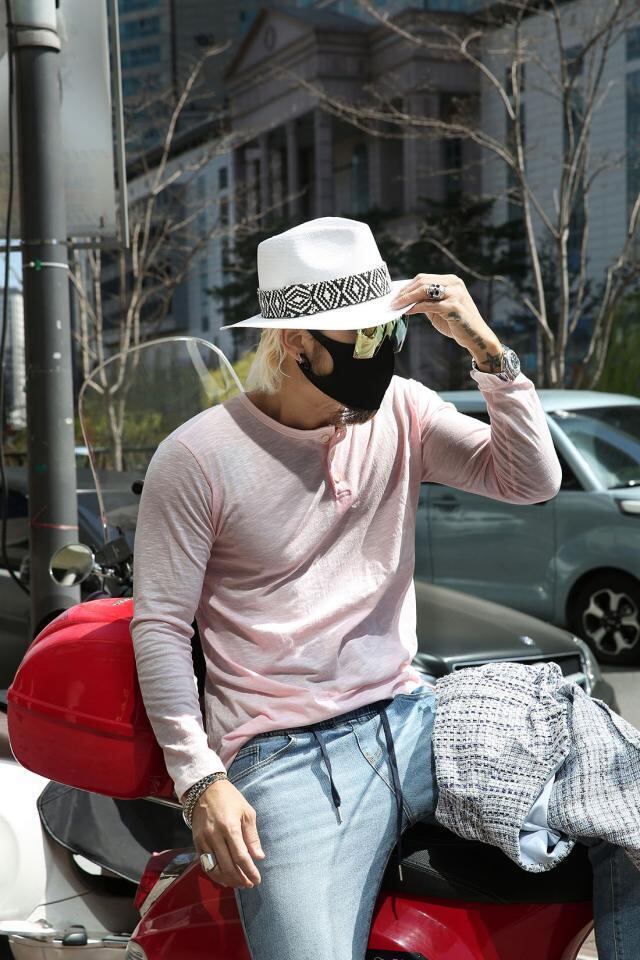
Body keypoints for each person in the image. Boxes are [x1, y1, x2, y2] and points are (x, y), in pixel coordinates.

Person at [130, 216, 637, 960]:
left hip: (414, 716)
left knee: (624, 793)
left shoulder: (402, 409)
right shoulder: (199, 457)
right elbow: (161, 627)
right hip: (286, 754)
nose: (383, 349)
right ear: (296, 343)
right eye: (363, 336)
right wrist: (200, 779)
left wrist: (487, 351)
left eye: (389, 331)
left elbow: (531, 480)